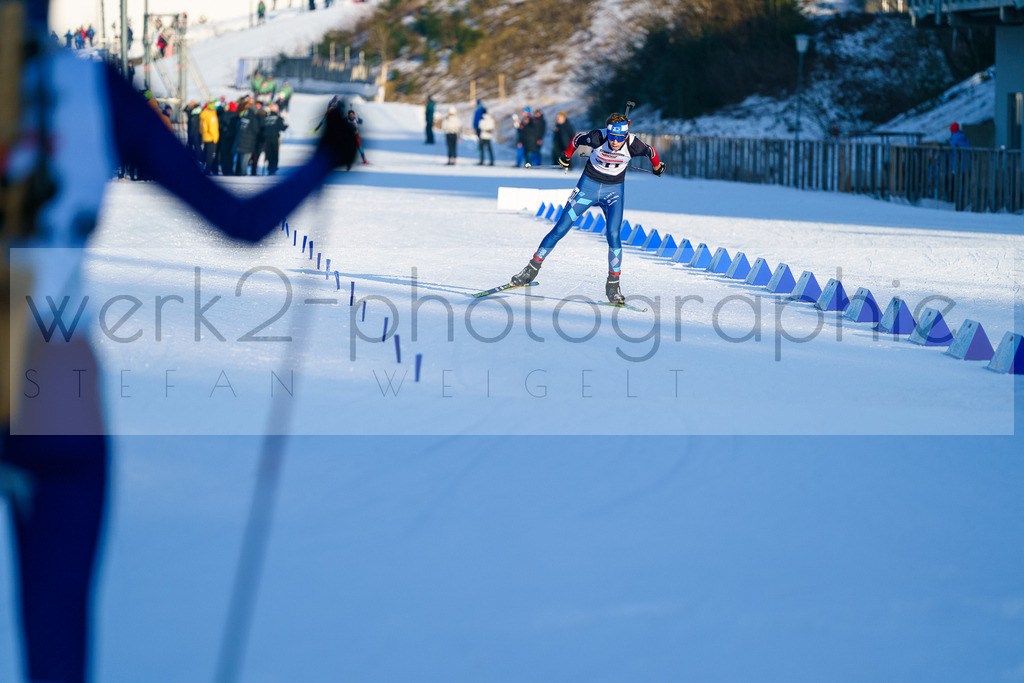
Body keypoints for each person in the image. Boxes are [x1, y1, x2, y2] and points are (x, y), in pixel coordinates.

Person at [0, 4, 358, 682]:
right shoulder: (91, 87)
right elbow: (238, 221)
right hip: (54, 390)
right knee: (56, 646)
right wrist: (325, 159)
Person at [508, 113, 666, 304]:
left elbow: (652, 152)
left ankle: (613, 286)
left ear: (626, 134)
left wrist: (657, 167)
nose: (615, 141)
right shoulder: (597, 137)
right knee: (560, 228)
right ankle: (530, 270)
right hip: (587, 188)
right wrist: (566, 157)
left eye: (619, 137)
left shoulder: (634, 145)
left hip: (613, 193)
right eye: (612, 136)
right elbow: (576, 140)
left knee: (614, 235)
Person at [263, 102, 289, 174]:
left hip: (267, 138)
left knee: (269, 153)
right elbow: (282, 128)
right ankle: (273, 168)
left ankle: (269, 168)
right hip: (275, 138)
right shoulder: (278, 118)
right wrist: (286, 126)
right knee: (275, 153)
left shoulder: (266, 117)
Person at [199, 101, 219, 174]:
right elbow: (212, 128)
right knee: (210, 156)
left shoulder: (203, 114)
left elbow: (201, 127)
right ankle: (207, 170)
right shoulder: (211, 116)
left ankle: (202, 168)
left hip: (205, 136)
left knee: (205, 154)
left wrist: (203, 134)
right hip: (211, 138)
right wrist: (215, 137)